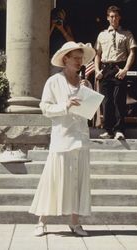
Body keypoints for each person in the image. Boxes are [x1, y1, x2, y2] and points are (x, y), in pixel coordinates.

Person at [29, 41, 96, 236]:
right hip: (62, 139)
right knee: (52, 180)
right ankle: (41, 221)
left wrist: (88, 93)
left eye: (81, 58)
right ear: (65, 59)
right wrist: (65, 105)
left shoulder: (86, 83)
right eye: (75, 58)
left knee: (77, 182)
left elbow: (90, 112)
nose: (79, 61)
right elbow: (45, 108)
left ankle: (75, 223)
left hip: (81, 138)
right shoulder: (54, 81)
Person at [94, 5, 137, 139]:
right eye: (111, 16)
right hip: (106, 68)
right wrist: (97, 70)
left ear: (120, 17)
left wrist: (125, 69)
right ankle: (108, 130)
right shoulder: (102, 35)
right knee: (107, 101)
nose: (114, 19)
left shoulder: (126, 34)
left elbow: (132, 52)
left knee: (119, 99)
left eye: (116, 16)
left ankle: (119, 130)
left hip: (119, 67)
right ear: (107, 18)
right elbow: (97, 54)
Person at [49, 8, 74, 75]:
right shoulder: (48, 25)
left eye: (61, 16)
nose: (59, 18)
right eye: (57, 16)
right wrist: (52, 26)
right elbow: (44, 38)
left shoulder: (66, 27)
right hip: (51, 56)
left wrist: (62, 29)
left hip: (63, 56)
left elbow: (72, 42)